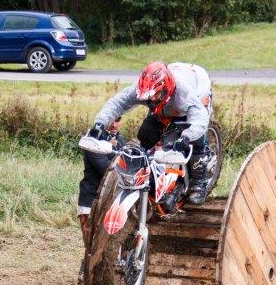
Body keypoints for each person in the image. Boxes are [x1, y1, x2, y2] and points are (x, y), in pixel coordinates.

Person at [90, 61, 213, 206]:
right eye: (149, 97)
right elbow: (117, 103)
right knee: (146, 134)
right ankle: (151, 175)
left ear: (166, 88)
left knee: (194, 137)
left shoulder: (183, 93)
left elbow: (199, 119)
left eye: (156, 95)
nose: (152, 99)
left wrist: (187, 137)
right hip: (168, 99)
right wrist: (100, 123)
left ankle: (199, 180)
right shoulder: (141, 89)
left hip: (197, 86)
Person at [77, 116, 124, 247]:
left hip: (111, 199)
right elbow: (107, 169)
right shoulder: (92, 141)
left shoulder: (121, 140)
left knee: (108, 245)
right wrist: (114, 148)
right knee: (91, 245)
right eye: (111, 120)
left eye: (117, 120)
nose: (114, 125)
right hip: (91, 200)